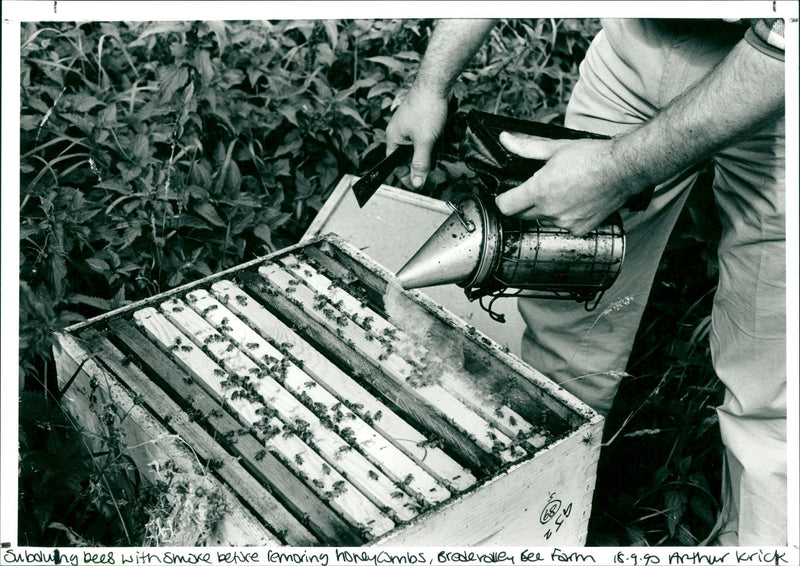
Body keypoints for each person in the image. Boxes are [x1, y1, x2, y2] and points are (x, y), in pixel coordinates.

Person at [385, 18, 786, 546]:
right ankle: (533, 524)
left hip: (778, 86)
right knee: (564, 329)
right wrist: (431, 84)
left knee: (775, 380)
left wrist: (617, 169)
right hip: (634, 53)